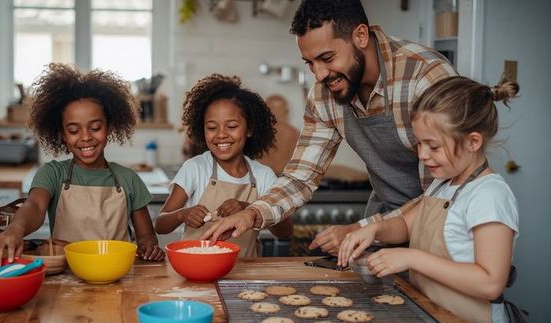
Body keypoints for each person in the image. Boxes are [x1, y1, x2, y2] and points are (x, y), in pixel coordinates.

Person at [202, 0, 457, 251]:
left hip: (441, 225)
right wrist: (254, 213)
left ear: (360, 36)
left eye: (327, 57)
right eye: (310, 63)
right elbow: (301, 177)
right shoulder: (324, 94)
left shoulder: (425, 77)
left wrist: (361, 228)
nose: (320, 74)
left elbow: (444, 190)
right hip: (382, 227)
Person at [338, 76, 520, 323]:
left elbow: (490, 283)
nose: (423, 155)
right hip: (436, 322)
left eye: (433, 146)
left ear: (473, 142)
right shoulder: (444, 183)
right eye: (420, 144)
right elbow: (405, 225)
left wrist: (411, 257)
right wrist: (375, 229)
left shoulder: (489, 195)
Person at [0, 63, 165, 267]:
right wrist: (15, 230)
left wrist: (149, 247)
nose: (86, 137)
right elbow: (34, 205)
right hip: (67, 275)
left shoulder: (128, 179)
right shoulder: (52, 174)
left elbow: (146, 236)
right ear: (62, 135)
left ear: (109, 127)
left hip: (118, 275)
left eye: (95, 127)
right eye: (74, 131)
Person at [154, 74, 293, 257]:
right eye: (212, 128)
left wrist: (249, 208)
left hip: (246, 276)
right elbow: (160, 225)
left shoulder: (263, 175)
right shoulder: (195, 168)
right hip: (198, 272)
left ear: (250, 128)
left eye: (232, 126)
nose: (221, 135)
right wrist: (182, 214)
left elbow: (285, 231)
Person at [258, 94, 300, 176]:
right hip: (287, 178)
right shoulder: (295, 133)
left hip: (264, 178)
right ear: (286, 111)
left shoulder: (259, 133)